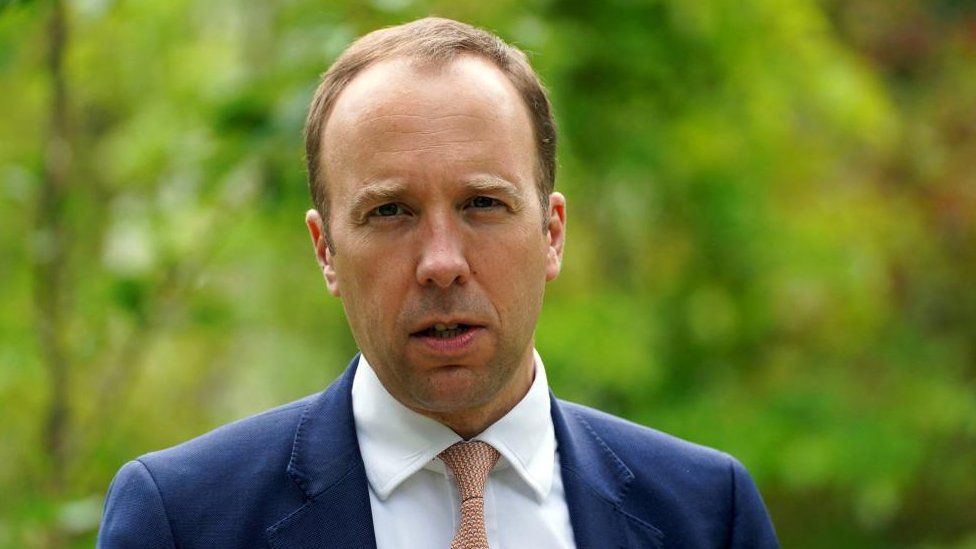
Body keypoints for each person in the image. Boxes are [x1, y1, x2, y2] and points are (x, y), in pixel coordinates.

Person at [97, 17, 778, 548]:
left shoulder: (706, 511)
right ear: (325, 249)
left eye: (483, 204)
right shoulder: (184, 520)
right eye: (390, 211)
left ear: (552, 232)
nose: (441, 261)